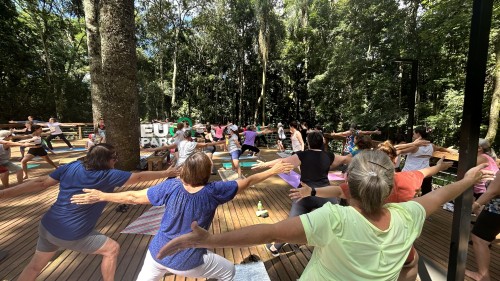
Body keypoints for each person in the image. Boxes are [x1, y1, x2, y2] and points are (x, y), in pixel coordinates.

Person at [157, 150, 493, 281]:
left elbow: (268, 232)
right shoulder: (407, 216)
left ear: (348, 186)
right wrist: (468, 180)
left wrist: (211, 239)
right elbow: (441, 193)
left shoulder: (334, 219)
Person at [70, 152, 294, 281]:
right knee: (232, 273)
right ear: (207, 174)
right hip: (189, 261)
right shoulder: (215, 191)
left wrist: (102, 195)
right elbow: (249, 181)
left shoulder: (171, 187)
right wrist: (272, 171)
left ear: (185, 170)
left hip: (156, 255)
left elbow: (131, 197)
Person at [0, 143, 179, 281]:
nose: (115, 161)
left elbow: (40, 183)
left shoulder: (72, 166)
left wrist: (3, 194)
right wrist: (166, 173)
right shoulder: (108, 175)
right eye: (114, 158)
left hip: (47, 226)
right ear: (106, 160)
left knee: (34, 267)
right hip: (71, 233)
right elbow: (138, 177)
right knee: (112, 249)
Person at [252, 131, 351, 256]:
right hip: (325, 194)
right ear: (322, 142)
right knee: (338, 218)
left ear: (308, 142)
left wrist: (264, 164)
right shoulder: (329, 156)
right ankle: (341, 247)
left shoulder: (302, 155)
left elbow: (282, 161)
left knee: (291, 223)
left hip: (303, 194)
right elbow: (346, 159)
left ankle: (275, 247)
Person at [400, 126, 457, 195]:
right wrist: (448, 150)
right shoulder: (431, 146)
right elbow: (440, 148)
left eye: (414, 134)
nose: (413, 135)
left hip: (410, 174)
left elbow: (398, 151)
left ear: (419, 135)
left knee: (406, 195)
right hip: (426, 174)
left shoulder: (414, 147)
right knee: (426, 193)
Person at [467, 171, 500, 281]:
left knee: (480, 239)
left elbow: (493, 191)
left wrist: (475, 205)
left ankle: (482, 275)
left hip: (496, 210)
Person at [147, 130, 225, 168]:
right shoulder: (192, 144)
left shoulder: (179, 143)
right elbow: (206, 144)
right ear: (190, 136)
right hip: (188, 164)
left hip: (179, 163)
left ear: (184, 136)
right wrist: (218, 142)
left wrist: (152, 149)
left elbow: (166, 147)